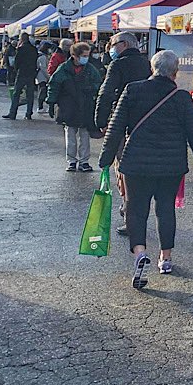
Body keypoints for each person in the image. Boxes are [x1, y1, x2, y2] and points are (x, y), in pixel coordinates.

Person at [98, 50, 193, 288]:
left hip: (136, 164)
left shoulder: (132, 90)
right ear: (175, 72)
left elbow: (116, 126)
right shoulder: (181, 97)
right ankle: (166, 258)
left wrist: (105, 159)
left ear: (153, 68)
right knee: (165, 210)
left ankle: (140, 253)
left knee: (136, 210)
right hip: (170, 166)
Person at [94, 31, 151, 236]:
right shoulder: (147, 64)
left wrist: (101, 121)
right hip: (145, 123)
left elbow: (106, 92)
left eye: (113, 44)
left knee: (124, 170)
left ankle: (130, 215)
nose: (111, 47)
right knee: (140, 170)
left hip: (122, 122)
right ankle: (136, 211)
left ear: (124, 44)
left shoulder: (117, 65)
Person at [46, 42, 103, 171]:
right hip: (68, 106)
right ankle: (71, 160)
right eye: (84, 55)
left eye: (87, 55)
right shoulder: (63, 69)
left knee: (84, 135)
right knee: (70, 135)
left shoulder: (90, 69)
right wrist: (51, 101)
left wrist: (91, 89)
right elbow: (54, 85)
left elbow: (98, 83)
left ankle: (84, 161)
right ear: (74, 56)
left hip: (85, 105)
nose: (86, 58)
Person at [2, 33, 39, 120]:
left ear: (22, 39)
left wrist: (15, 70)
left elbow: (16, 62)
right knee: (30, 94)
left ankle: (13, 113)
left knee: (16, 93)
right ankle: (28, 113)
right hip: (31, 73)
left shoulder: (21, 49)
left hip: (22, 73)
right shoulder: (34, 49)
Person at [35, 43, 52, 113]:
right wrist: (48, 76)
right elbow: (43, 68)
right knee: (42, 91)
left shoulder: (41, 55)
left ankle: (40, 106)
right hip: (41, 77)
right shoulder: (43, 57)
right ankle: (40, 107)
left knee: (41, 91)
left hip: (40, 76)